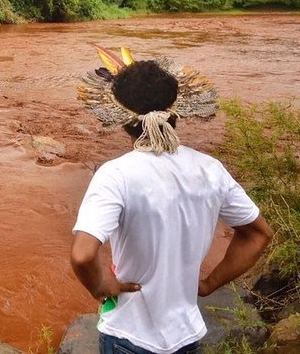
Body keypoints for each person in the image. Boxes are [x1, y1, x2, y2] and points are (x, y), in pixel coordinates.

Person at [71, 51, 274, 354]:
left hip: (128, 334)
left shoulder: (115, 174)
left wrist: (101, 286)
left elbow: (83, 255)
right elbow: (259, 234)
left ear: (122, 120)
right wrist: (208, 284)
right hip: (186, 334)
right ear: (176, 113)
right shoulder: (210, 170)